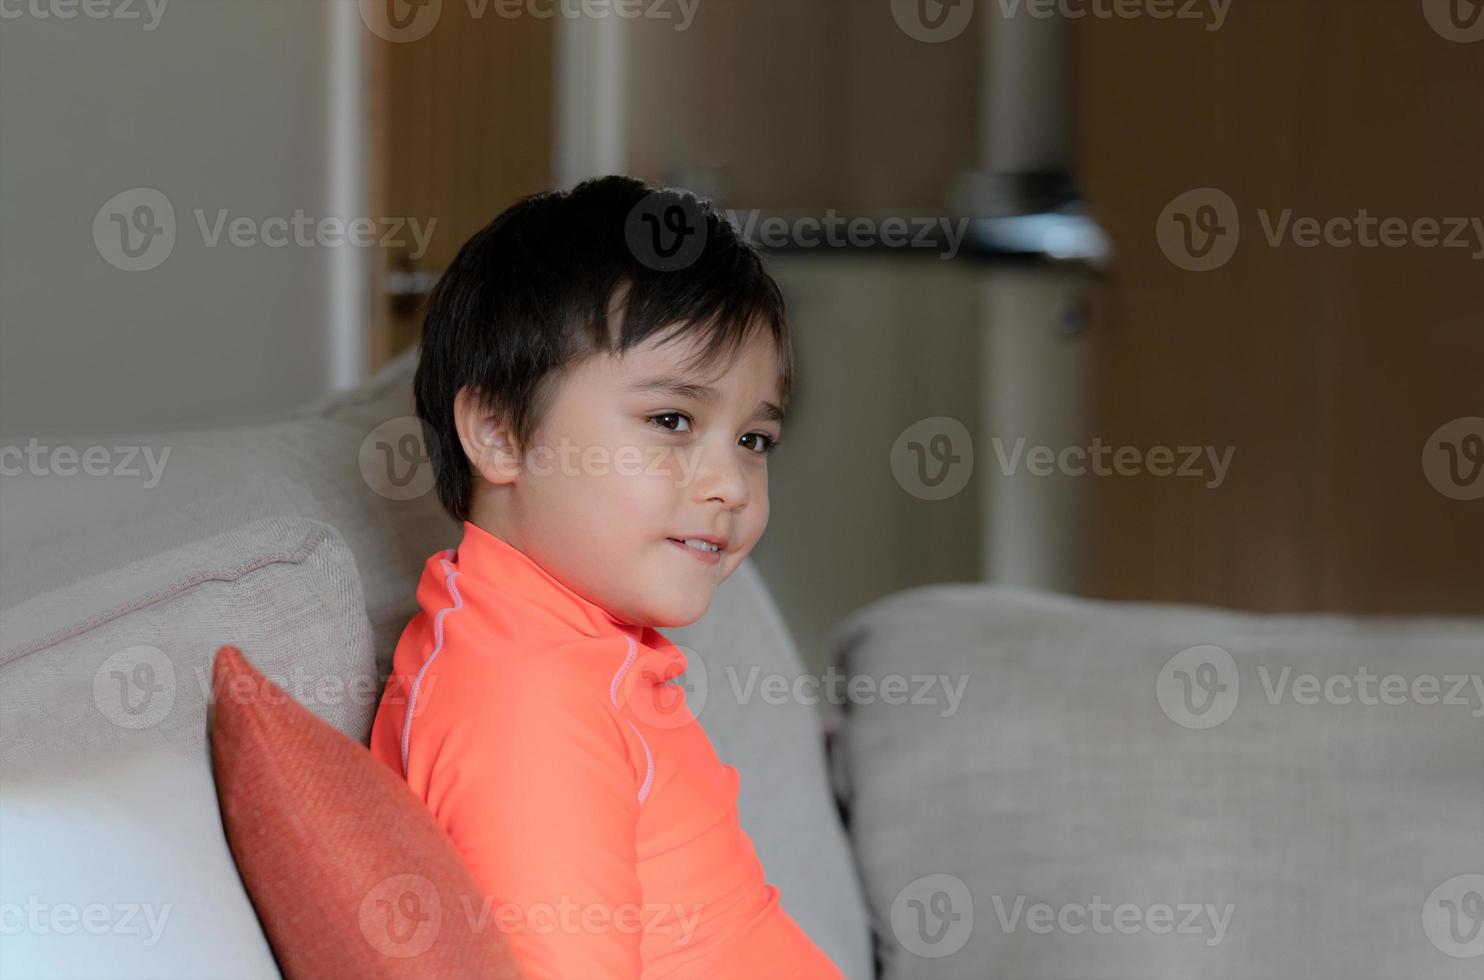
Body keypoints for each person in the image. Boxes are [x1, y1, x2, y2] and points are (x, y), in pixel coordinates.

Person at [368, 175, 843, 979]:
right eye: (672, 421)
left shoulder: (580, 649)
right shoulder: (524, 697)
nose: (730, 483)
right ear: (498, 433)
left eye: (754, 440)